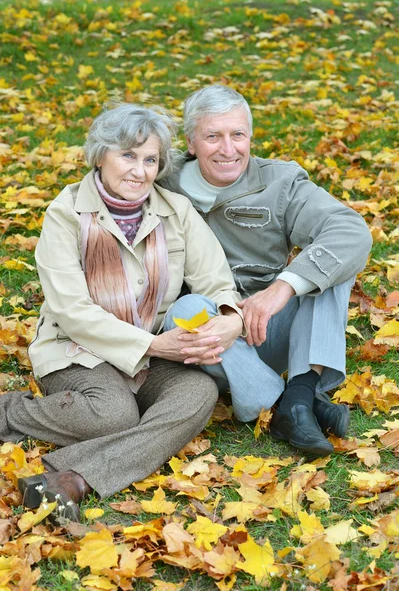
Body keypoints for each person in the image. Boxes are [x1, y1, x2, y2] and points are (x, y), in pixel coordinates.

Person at [0, 103, 268, 521]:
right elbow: (71, 310)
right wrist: (155, 344)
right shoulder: (66, 213)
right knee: (113, 414)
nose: (139, 171)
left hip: (153, 351)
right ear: (100, 155)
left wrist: (232, 318)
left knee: (199, 394)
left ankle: (71, 480)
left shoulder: (175, 212)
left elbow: (216, 283)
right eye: (127, 155)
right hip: (77, 348)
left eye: (150, 160)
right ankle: (9, 412)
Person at [161, 84, 373, 456]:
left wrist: (282, 288)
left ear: (250, 137)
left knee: (332, 269)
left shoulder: (280, 182)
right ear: (191, 143)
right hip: (207, 343)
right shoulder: (162, 182)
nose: (229, 149)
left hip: (266, 327)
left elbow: (351, 231)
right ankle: (293, 403)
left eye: (238, 135)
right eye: (213, 136)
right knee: (185, 310)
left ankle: (299, 391)